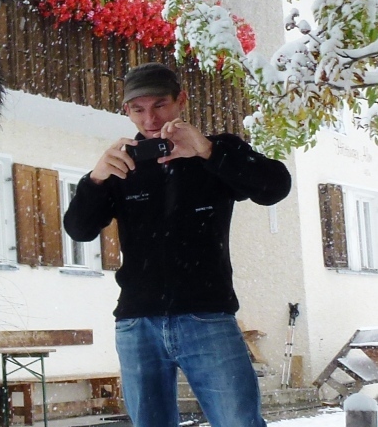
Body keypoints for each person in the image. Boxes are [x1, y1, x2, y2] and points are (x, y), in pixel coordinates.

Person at [63, 62, 291, 427]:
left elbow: (276, 186)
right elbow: (78, 229)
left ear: (181, 101)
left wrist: (208, 152)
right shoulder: (123, 167)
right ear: (126, 112)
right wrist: (95, 179)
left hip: (207, 316)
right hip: (137, 323)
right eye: (138, 109)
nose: (149, 118)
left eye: (160, 105)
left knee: (240, 422)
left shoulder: (216, 152)